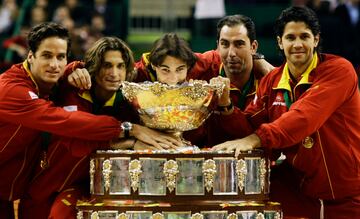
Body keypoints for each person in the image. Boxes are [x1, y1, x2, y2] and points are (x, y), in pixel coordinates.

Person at [0, 22, 177, 218]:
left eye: (61, 57)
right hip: (35, 190)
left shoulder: (60, 81)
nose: (54, 64)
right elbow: (66, 125)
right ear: (30, 56)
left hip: (18, 191)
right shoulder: (13, 90)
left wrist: (73, 69)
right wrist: (128, 131)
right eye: (46, 56)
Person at [212, 6, 360, 218]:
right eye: (290, 37)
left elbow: (304, 116)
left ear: (316, 40)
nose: (298, 44)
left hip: (346, 197)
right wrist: (226, 107)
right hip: (299, 192)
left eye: (305, 37)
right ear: (280, 42)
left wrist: (256, 138)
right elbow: (248, 126)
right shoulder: (272, 81)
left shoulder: (339, 71)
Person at [134, 15, 273, 147]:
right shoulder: (205, 64)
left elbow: (254, 137)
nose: (231, 53)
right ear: (217, 46)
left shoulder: (268, 80)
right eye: (225, 44)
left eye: (239, 44)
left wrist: (226, 107)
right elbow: (162, 59)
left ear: (253, 47)